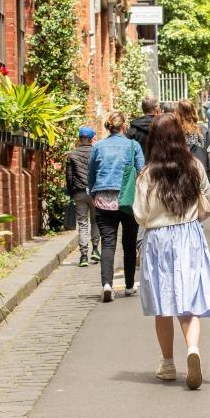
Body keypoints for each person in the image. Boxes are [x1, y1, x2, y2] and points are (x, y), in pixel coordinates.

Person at [133, 114, 210, 390]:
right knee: (189, 301)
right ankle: (192, 349)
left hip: (159, 240)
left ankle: (168, 363)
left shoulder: (147, 173)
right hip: (189, 236)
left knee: (164, 304)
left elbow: (139, 214)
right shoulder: (194, 166)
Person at [88, 111, 145, 302]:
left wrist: (93, 194)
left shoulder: (98, 146)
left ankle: (107, 284)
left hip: (104, 200)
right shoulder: (132, 145)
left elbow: (91, 174)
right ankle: (129, 285)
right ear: (124, 125)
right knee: (129, 244)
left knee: (108, 244)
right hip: (127, 199)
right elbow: (142, 171)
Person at [65, 126, 100, 267]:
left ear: (80, 138)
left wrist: (71, 192)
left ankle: (84, 255)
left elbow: (69, 176)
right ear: (92, 139)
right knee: (95, 221)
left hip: (79, 192)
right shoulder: (96, 152)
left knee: (83, 224)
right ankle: (96, 249)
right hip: (94, 192)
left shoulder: (72, 154)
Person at [174, 98, 210, 187]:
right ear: (193, 111)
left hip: (179, 181)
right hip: (201, 180)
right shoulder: (204, 131)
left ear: (177, 113)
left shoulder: (173, 132)